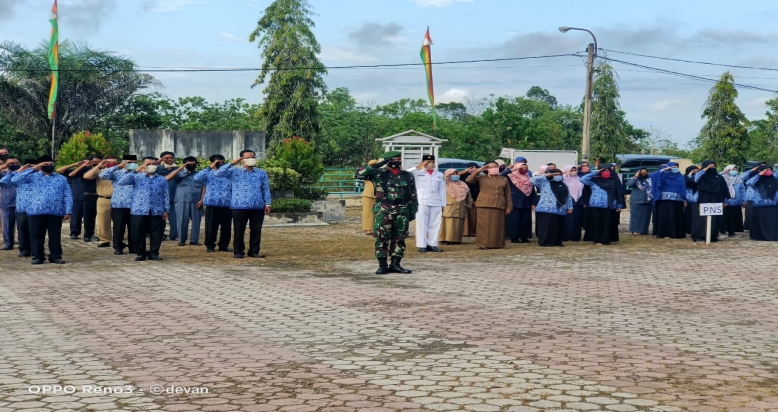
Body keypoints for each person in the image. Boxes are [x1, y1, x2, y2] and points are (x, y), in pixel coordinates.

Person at [357, 151, 418, 274]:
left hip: (402, 211)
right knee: (382, 238)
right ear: (387, 161)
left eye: (398, 159)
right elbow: (359, 174)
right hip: (384, 211)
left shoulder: (408, 175)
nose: (397, 161)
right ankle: (382, 265)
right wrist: (378, 165)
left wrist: (412, 212)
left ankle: (396, 264)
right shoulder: (378, 173)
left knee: (399, 239)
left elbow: (413, 195)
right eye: (394, 159)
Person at [11, 155, 72, 264]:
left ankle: (55, 256)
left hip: (56, 211)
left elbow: (67, 194)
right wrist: (33, 169)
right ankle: (38, 256)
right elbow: (14, 179)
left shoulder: (61, 178)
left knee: (55, 235)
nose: (49, 166)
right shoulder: (31, 177)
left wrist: (68, 210)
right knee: (36, 235)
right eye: (46, 165)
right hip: (35, 211)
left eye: (51, 164)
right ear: (40, 165)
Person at [214, 149, 272, 259]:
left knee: (256, 230)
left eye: (253, 157)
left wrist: (268, 203)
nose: (251, 159)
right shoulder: (234, 172)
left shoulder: (261, 173)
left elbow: (266, 189)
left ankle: (254, 251)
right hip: (239, 205)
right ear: (242, 159)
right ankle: (238, 251)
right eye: (248, 157)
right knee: (239, 230)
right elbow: (218, 173)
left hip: (257, 206)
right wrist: (232, 163)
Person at [118, 157, 169, 261]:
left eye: (154, 163)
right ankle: (141, 253)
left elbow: (165, 195)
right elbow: (122, 182)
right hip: (139, 209)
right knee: (138, 232)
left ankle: (154, 253)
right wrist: (135, 171)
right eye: (149, 163)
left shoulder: (161, 179)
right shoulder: (137, 177)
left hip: (157, 210)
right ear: (143, 165)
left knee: (156, 233)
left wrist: (166, 209)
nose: (152, 165)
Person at [466, 161, 512, 249]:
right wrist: (479, 170)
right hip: (484, 205)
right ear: (487, 169)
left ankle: (497, 244)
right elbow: (469, 180)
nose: (494, 168)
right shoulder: (481, 178)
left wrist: (509, 206)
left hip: (499, 204)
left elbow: (508, 194)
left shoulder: (503, 179)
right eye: (491, 167)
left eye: (496, 166)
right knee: (484, 226)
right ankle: (483, 244)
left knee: (498, 225)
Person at [194, 155, 233, 253]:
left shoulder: (229, 172)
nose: (221, 164)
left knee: (226, 227)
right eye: (218, 162)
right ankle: (210, 245)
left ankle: (224, 245)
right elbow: (197, 178)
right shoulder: (208, 173)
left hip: (227, 203)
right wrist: (210, 167)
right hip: (212, 203)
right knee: (211, 226)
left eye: (223, 162)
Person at [100, 155, 138, 255]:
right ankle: (118, 247)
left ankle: (133, 247)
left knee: (134, 227)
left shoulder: (139, 173)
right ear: (124, 162)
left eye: (134, 162)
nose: (132, 164)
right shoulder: (116, 173)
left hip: (135, 204)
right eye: (130, 162)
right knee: (119, 227)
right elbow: (103, 175)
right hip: (119, 204)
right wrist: (119, 166)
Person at [57, 155, 101, 241]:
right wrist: (76, 165)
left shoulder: (94, 171)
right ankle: (74, 232)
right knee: (76, 216)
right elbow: (61, 170)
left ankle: (89, 234)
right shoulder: (77, 171)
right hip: (77, 196)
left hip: (91, 195)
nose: (87, 164)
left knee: (90, 217)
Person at [580, 163, 625, 245]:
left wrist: (619, 205)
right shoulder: (594, 181)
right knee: (597, 223)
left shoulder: (613, 180)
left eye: (608, 170)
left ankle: (606, 239)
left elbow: (617, 193)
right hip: (597, 205)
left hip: (610, 205)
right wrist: (595, 172)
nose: (606, 172)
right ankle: (597, 240)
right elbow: (583, 179)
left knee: (608, 223)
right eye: (604, 170)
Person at [164, 156, 204, 246]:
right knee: (181, 220)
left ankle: (194, 240)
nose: (192, 165)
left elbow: (204, 187)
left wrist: (202, 199)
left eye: (194, 163)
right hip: (181, 200)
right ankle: (181, 240)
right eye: (190, 163)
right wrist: (181, 168)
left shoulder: (199, 174)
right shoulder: (178, 173)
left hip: (196, 200)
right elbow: (168, 178)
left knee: (196, 221)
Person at [412, 155, 446, 253]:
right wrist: (417, 166)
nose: (431, 164)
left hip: (436, 201)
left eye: (432, 161)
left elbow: (442, 190)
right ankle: (422, 245)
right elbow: (405, 173)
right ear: (424, 162)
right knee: (421, 224)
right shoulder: (416, 173)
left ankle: (432, 244)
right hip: (421, 201)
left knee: (435, 223)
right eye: (428, 162)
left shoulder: (439, 174)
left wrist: (443, 204)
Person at [531, 168, 573, 247]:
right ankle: (545, 242)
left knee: (558, 226)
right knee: (547, 227)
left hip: (561, 209)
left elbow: (568, 196)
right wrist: (546, 175)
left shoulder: (564, 184)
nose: (558, 176)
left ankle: (557, 241)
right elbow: (533, 180)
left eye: (559, 174)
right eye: (555, 175)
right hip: (546, 209)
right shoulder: (544, 182)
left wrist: (570, 207)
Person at [690, 161, 730, 242]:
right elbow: (695, 179)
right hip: (702, 199)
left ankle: (712, 236)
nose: (712, 168)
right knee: (701, 219)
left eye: (713, 166)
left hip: (716, 199)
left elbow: (724, 189)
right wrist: (704, 169)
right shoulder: (701, 176)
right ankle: (698, 236)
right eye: (709, 166)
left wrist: (725, 201)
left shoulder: (719, 177)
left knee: (714, 219)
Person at [83, 156, 118, 248]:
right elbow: (86, 176)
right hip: (103, 198)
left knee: (119, 221)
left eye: (114, 162)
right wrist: (98, 166)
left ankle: (118, 240)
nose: (112, 164)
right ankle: (104, 240)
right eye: (109, 162)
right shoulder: (100, 172)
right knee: (102, 221)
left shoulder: (120, 173)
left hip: (119, 199)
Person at [649, 162, 687, 239]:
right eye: (673, 167)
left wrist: (685, 200)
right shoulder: (663, 175)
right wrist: (664, 169)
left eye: (677, 167)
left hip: (678, 200)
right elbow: (652, 176)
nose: (675, 168)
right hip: (665, 200)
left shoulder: (680, 176)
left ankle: (676, 234)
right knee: (665, 216)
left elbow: (683, 188)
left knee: (677, 217)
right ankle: (664, 233)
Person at [503, 161, 537, 243]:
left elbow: (532, 191)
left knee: (525, 220)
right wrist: (510, 169)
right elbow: (501, 175)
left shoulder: (528, 177)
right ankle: (514, 237)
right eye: (522, 168)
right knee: (514, 220)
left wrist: (533, 202)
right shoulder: (510, 177)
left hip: (526, 202)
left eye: (526, 168)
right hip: (514, 202)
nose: (524, 169)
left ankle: (524, 237)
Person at [744, 165, 778, 241]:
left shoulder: (775, 180)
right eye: (766, 170)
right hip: (759, 205)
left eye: (770, 170)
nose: (768, 171)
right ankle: (759, 236)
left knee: (772, 223)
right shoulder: (757, 181)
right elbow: (748, 183)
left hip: (773, 205)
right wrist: (759, 175)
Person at [439, 169, 472, 245]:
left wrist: (469, 205)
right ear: (448, 175)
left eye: (456, 174)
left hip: (461, 207)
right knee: (447, 224)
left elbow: (468, 196)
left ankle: (456, 239)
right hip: (448, 207)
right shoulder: (444, 184)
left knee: (458, 224)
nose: (455, 176)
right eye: (453, 174)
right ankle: (445, 239)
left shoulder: (463, 185)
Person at [156, 151, 179, 241]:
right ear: (162, 159)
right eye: (166, 158)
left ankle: (174, 235)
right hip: (160, 197)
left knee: (174, 218)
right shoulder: (158, 169)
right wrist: (158, 162)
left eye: (171, 157)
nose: (169, 159)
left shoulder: (178, 169)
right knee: (160, 219)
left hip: (174, 196)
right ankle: (160, 235)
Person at [0, 157, 20, 250]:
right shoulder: (2, 174)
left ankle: (23, 243)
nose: (14, 165)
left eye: (16, 163)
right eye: (11, 163)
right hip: (6, 203)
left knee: (22, 225)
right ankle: (8, 243)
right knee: (7, 225)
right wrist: (4, 166)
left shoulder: (22, 174)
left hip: (21, 203)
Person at [720, 165, 746, 238]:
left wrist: (744, 201)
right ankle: (722, 231)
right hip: (725, 202)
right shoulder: (722, 178)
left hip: (736, 202)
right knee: (724, 217)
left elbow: (742, 190)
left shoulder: (739, 179)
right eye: (732, 169)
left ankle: (732, 232)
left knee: (734, 218)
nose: (734, 170)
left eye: (736, 169)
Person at [626, 168, 652, 235]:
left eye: (645, 171)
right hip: (636, 200)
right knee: (635, 216)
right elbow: (630, 184)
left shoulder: (649, 179)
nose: (644, 173)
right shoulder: (634, 179)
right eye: (642, 171)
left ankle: (644, 230)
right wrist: (636, 176)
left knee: (646, 217)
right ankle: (634, 230)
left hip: (648, 200)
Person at [562, 165, 584, 241]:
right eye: (571, 170)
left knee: (577, 220)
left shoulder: (578, 178)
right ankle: (566, 236)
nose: (574, 171)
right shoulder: (563, 178)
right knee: (568, 220)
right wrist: (564, 172)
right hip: (567, 201)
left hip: (578, 202)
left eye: (575, 170)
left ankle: (576, 237)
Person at [357, 160, 378, 235]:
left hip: (379, 194)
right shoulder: (365, 170)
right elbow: (357, 175)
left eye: (376, 164)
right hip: (368, 194)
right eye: (373, 164)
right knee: (367, 212)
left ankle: (377, 228)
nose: (375, 165)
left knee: (379, 212)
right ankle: (368, 228)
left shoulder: (379, 171)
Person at [460, 162, 480, 237]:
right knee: (467, 215)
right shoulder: (462, 176)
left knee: (474, 215)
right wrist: (465, 171)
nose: (474, 169)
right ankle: (466, 232)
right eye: (471, 167)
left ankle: (473, 231)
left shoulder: (478, 176)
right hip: (465, 197)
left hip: (476, 197)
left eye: (475, 167)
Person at [684, 165, 700, 235]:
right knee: (687, 215)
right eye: (694, 171)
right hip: (687, 199)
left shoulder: (699, 178)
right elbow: (688, 180)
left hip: (696, 199)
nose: (695, 173)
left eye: (697, 171)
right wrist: (690, 175)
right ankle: (687, 229)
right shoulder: (684, 178)